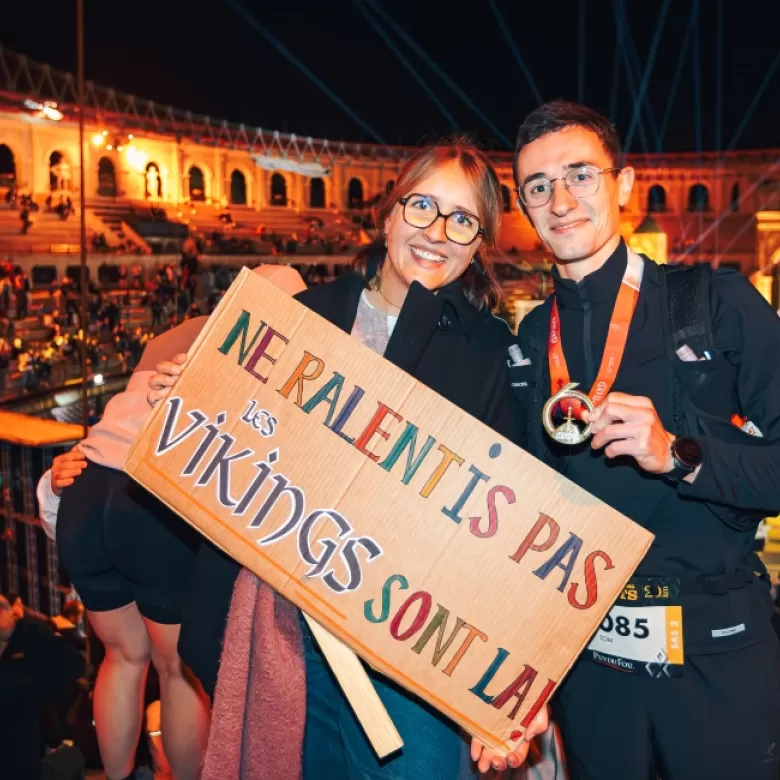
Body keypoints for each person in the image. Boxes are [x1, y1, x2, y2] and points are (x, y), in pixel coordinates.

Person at [148, 140, 550, 779]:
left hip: (412, 655)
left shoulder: (490, 354)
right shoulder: (301, 317)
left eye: (462, 220)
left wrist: (509, 686)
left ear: (478, 246)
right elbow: (234, 444)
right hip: (290, 635)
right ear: (389, 214)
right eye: (422, 206)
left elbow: (506, 538)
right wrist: (191, 392)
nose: (436, 232)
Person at [509, 100, 780, 780]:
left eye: (580, 175)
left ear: (624, 186)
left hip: (715, 650)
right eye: (537, 186)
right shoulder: (525, 339)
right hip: (592, 668)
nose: (560, 199)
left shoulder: (714, 304)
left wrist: (680, 456)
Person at [38, 264, 308, 780]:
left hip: (83, 491)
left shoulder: (171, 337)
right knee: (178, 672)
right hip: (146, 500)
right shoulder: (265, 358)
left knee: (122, 657)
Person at [0, 592, 86, 780]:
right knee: (74, 757)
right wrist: (19, 629)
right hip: (22, 773)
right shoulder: (17, 679)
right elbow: (73, 663)